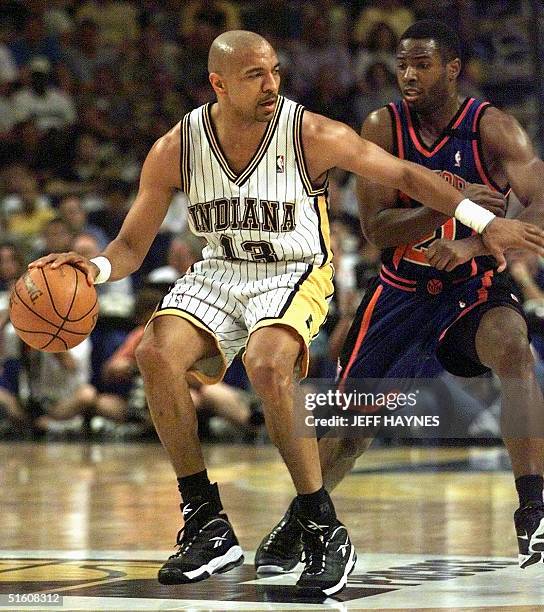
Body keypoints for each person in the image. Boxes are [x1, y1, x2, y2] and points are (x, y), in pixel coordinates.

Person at [29, 30, 544, 595]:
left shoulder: (310, 132)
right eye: (255, 75)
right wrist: (93, 271)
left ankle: (323, 524)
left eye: (274, 70)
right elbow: (128, 246)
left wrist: (481, 224)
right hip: (223, 270)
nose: (271, 83)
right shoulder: (176, 146)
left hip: (294, 269)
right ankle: (206, 521)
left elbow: (404, 176)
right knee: (154, 352)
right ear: (218, 84)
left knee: (268, 361)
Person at [254, 20, 544, 575]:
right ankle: (304, 521)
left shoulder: (494, 129)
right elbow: (378, 228)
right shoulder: (382, 126)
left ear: (453, 69)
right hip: (399, 290)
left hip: (470, 286)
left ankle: (533, 509)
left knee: (514, 350)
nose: (409, 75)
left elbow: (538, 209)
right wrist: (447, 203)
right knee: (349, 426)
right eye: (402, 65)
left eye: (422, 64)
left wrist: (473, 242)